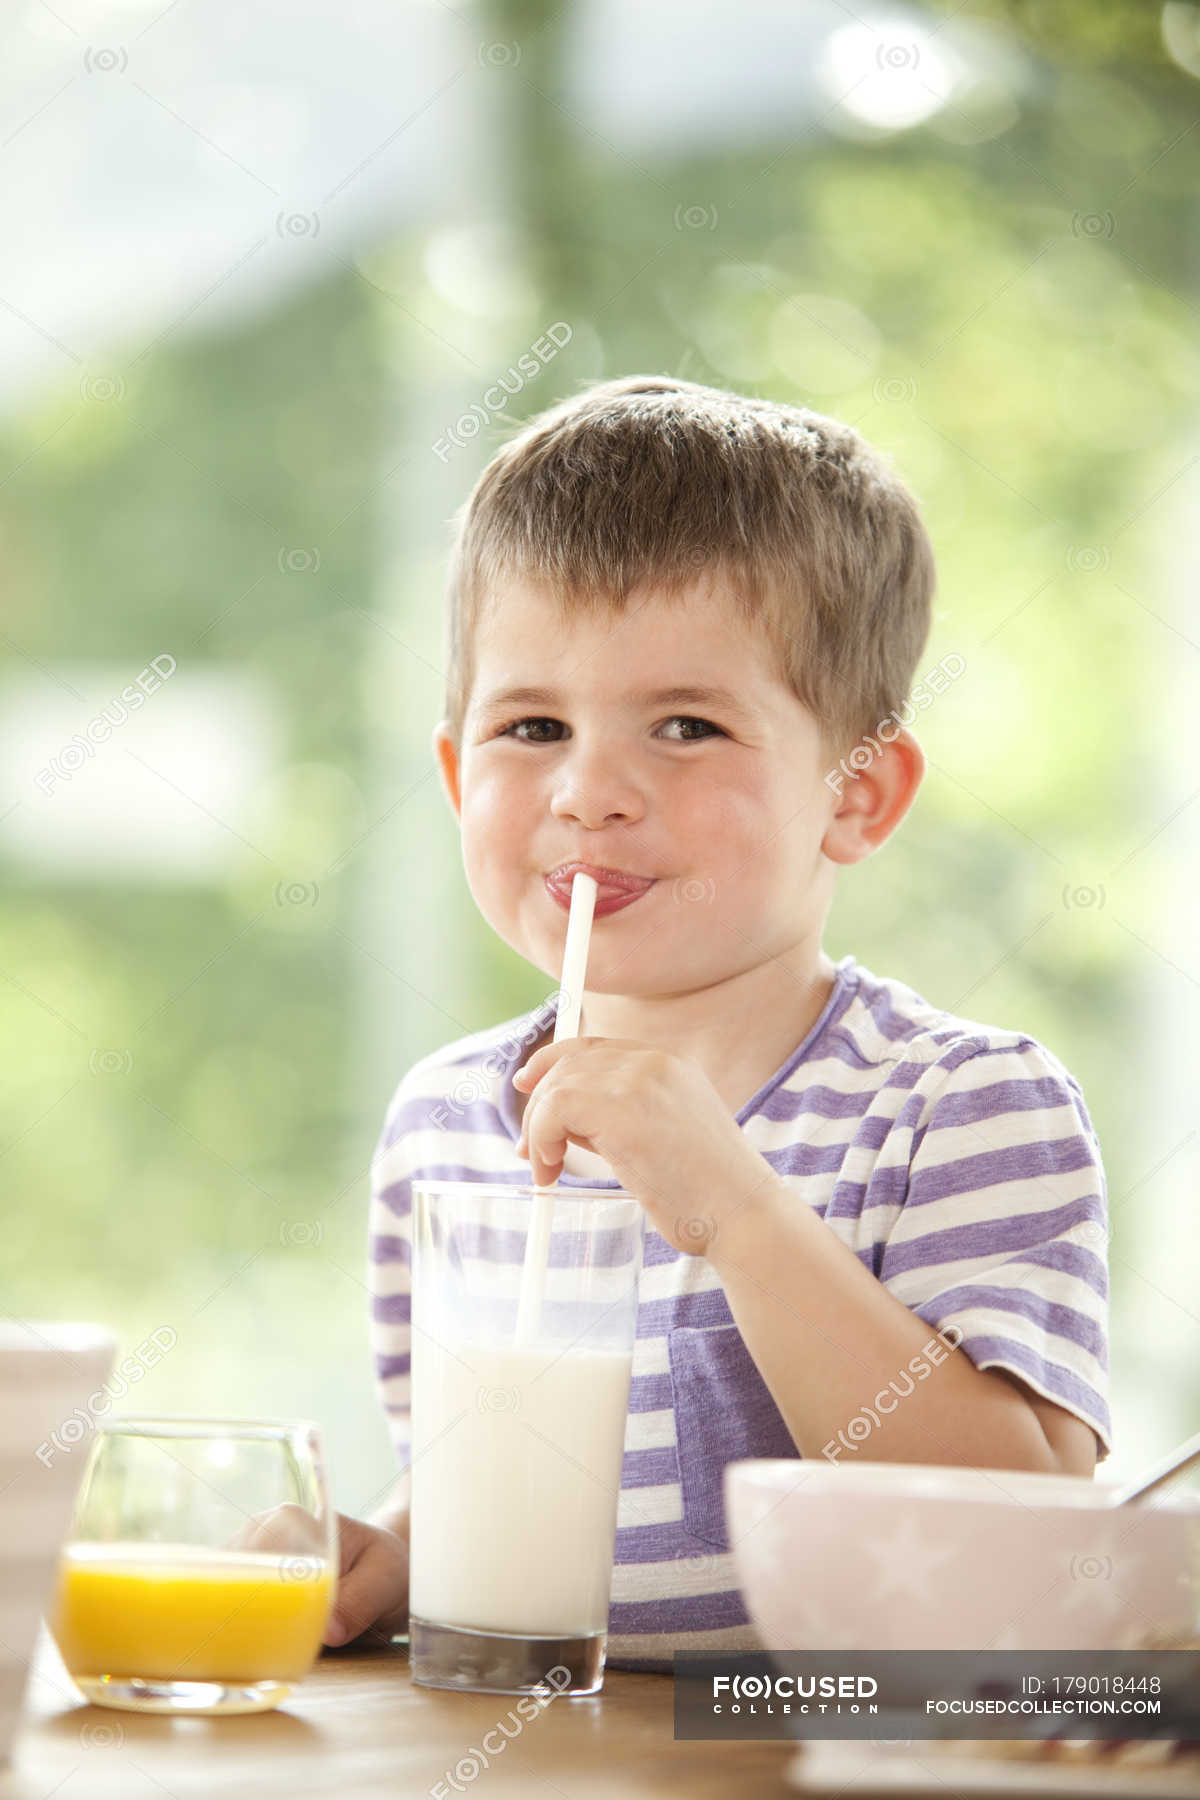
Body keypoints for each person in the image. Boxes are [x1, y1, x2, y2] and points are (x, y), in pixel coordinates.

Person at [323, 376, 1111, 1671]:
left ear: (855, 795)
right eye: (532, 727)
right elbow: (490, 1480)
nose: (588, 794)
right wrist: (396, 1556)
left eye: (685, 726)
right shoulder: (443, 1128)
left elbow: (1022, 1535)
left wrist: (737, 1215)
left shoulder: (964, 1109)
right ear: (460, 773)